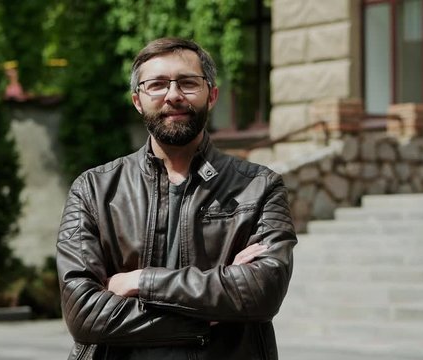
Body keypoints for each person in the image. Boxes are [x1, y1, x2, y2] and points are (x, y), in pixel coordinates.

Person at [56, 37, 297, 360]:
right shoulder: (94, 190)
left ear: (212, 95)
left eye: (187, 83)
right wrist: (211, 314)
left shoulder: (259, 187)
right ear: (137, 100)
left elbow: (261, 293)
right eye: (156, 85)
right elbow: (83, 314)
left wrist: (140, 280)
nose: (173, 95)